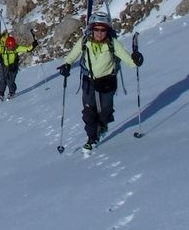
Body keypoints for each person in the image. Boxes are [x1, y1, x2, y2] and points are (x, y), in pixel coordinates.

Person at [58, 12, 144, 149]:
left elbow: (128, 59)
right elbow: (72, 55)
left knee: (105, 111)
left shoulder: (112, 43)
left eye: (103, 30)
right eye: (96, 29)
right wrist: (66, 65)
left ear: (107, 30)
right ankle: (92, 138)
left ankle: (102, 126)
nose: (99, 33)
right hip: (88, 81)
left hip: (107, 81)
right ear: (91, 29)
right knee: (88, 111)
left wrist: (136, 60)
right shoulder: (84, 41)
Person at [0, 32, 36, 101]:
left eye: (12, 47)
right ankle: (1, 94)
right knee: (3, 80)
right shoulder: (2, 47)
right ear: (6, 45)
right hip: (4, 66)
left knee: (10, 81)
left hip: (13, 67)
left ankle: (12, 92)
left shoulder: (16, 47)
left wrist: (33, 46)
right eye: (10, 47)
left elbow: (27, 49)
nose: (11, 48)